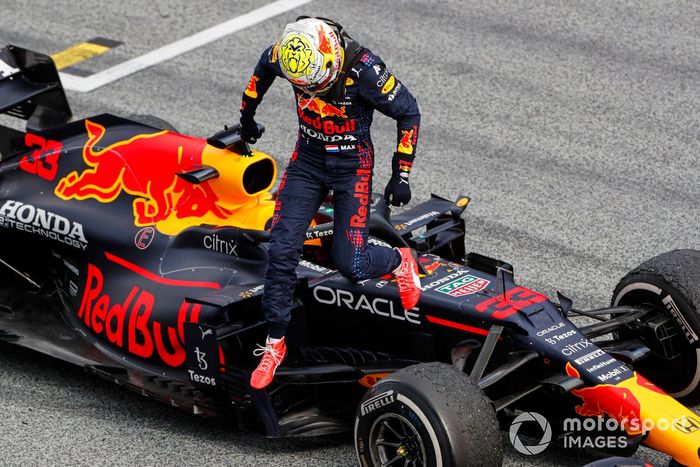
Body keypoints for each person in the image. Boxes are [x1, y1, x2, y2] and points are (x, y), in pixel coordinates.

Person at [239, 16, 422, 390]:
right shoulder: (287, 54)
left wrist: (400, 173)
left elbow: (409, 112)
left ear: (331, 56)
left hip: (353, 169)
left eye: (319, 85)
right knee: (282, 248)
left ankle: (400, 261)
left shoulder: (366, 70)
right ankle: (275, 341)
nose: (313, 92)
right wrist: (246, 118)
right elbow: (261, 70)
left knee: (351, 263)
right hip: (307, 162)